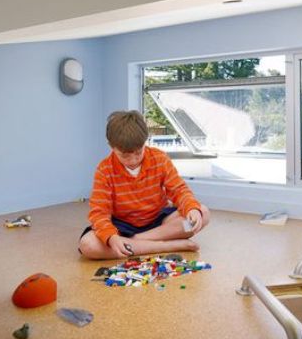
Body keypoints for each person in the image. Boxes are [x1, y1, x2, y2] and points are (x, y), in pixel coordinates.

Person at [79, 110, 210, 259]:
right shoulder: (104, 170)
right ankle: (167, 245)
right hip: (122, 227)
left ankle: (136, 243)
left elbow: (179, 190)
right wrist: (112, 238)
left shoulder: (159, 158)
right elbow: (99, 213)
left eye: (138, 152)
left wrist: (192, 209)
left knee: (202, 213)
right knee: (88, 245)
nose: (133, 160)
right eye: (125, 155)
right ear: (112, 147)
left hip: (159, 223)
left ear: (144, 142)